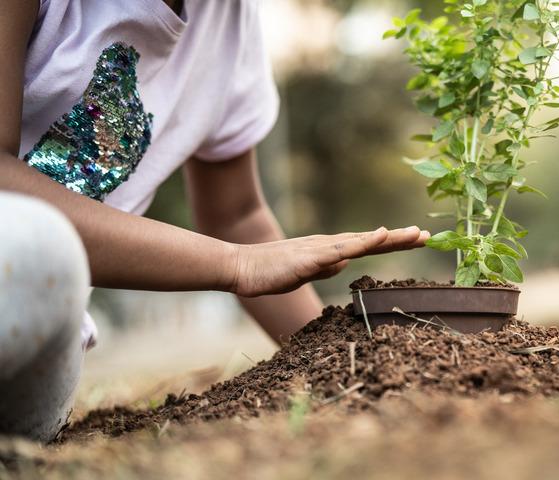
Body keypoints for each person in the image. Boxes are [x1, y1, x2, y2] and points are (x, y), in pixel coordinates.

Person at [0, 0, 429, 442]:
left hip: (37, 356)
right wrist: (235, 264)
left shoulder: (231, 21)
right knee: (37, 243)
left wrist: (350, 359)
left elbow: (237, 215)